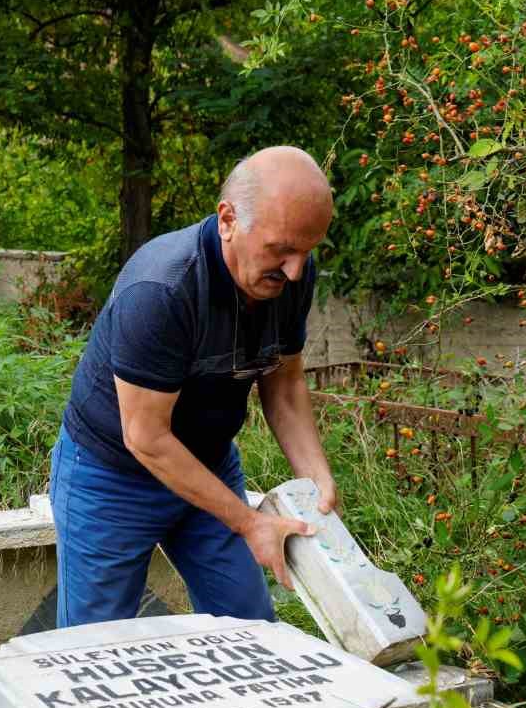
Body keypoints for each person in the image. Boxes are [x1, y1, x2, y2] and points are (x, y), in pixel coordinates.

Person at [51, 145, 338, 628]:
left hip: (208, 463)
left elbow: (284, 384)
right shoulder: (162, 289)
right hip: (112, 476)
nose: (294, 270)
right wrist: (249, 521)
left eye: (307, 252)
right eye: (281, 249)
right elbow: (146, 437)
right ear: (228, 220)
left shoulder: (292, 274)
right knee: (93, 647)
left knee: (248, 629)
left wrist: (319, 483)